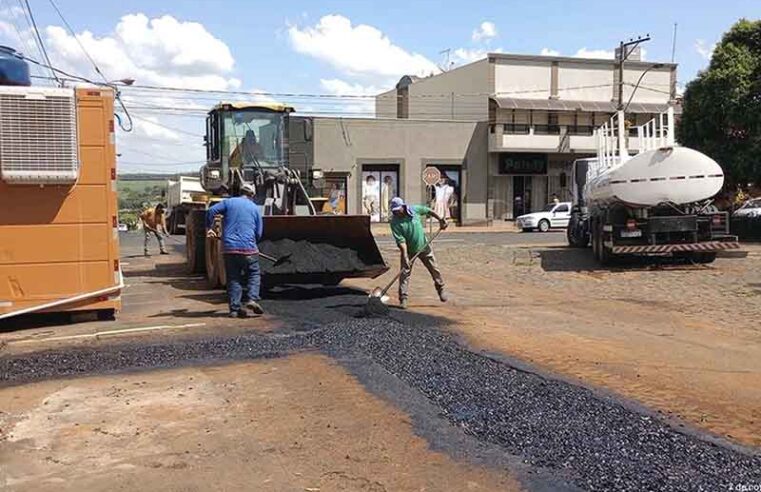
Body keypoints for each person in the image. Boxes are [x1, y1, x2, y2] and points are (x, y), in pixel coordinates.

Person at [206, 183, 264, 318]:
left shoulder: (228, 202)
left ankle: (234, 310)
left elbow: (211, 211)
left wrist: (210, 228)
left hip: (229, 249)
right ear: (252, 195)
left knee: (233, 278)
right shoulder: (255, 208)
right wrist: (252, 243)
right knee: (254, 273)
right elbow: (259, 232)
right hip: (249, 249)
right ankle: (252, 299)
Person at [389, 197, 448, 309]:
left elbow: (429, 211)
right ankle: (403, 298)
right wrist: (405, 256)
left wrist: (440, 220)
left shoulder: (415, 210)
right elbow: (401, 242)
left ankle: (440, 288)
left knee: (434, 269)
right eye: (394, 211)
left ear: (403, 206)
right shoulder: (394, 222)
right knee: (404, 273)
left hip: (424, 246)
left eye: (397, 210)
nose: (396, 212)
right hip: (409, 250)